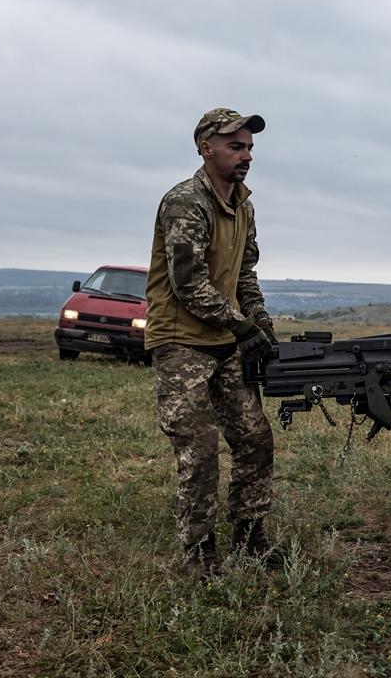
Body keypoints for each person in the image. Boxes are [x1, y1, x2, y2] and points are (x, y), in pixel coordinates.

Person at [144, 107, 281, 578]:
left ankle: (250, 536)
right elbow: (189, 284)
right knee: (198, 450)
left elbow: (244, 274)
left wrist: (259, 319)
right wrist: (242, 326)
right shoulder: (186, 202)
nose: (246, 156)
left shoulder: (243, 204)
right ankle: (198, 554)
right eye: (235, 146)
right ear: (205, 148)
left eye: (248, 148)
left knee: (254, 438)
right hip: (182, 343)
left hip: (226, 341)